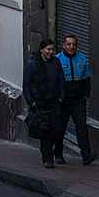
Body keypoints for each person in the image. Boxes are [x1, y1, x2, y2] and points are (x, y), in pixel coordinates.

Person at [23, 38, 66, 168]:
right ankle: (48, 158)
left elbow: (61, 80)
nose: (51, 52)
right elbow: (26, 84)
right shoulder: (32, 64)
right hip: (39, 102)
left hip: (54, 101)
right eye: (48, 49)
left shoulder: (56, 62)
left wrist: (61, 97)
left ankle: (47, 150)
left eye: (52, 50)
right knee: (45, 131)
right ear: (41, 50)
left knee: (57, 130)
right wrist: (31, 102)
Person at [54, 35, 96, 165]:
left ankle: (86, 154)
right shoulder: (57, 60)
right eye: (69, 44)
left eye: (74, 44)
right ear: (64, 45)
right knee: (60, 128)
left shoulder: (81, 58)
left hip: (78, 100)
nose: (71, 47)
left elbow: (86, 78)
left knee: (81, 127)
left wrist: (86, 95)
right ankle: (58, 154)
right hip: (63, 101)